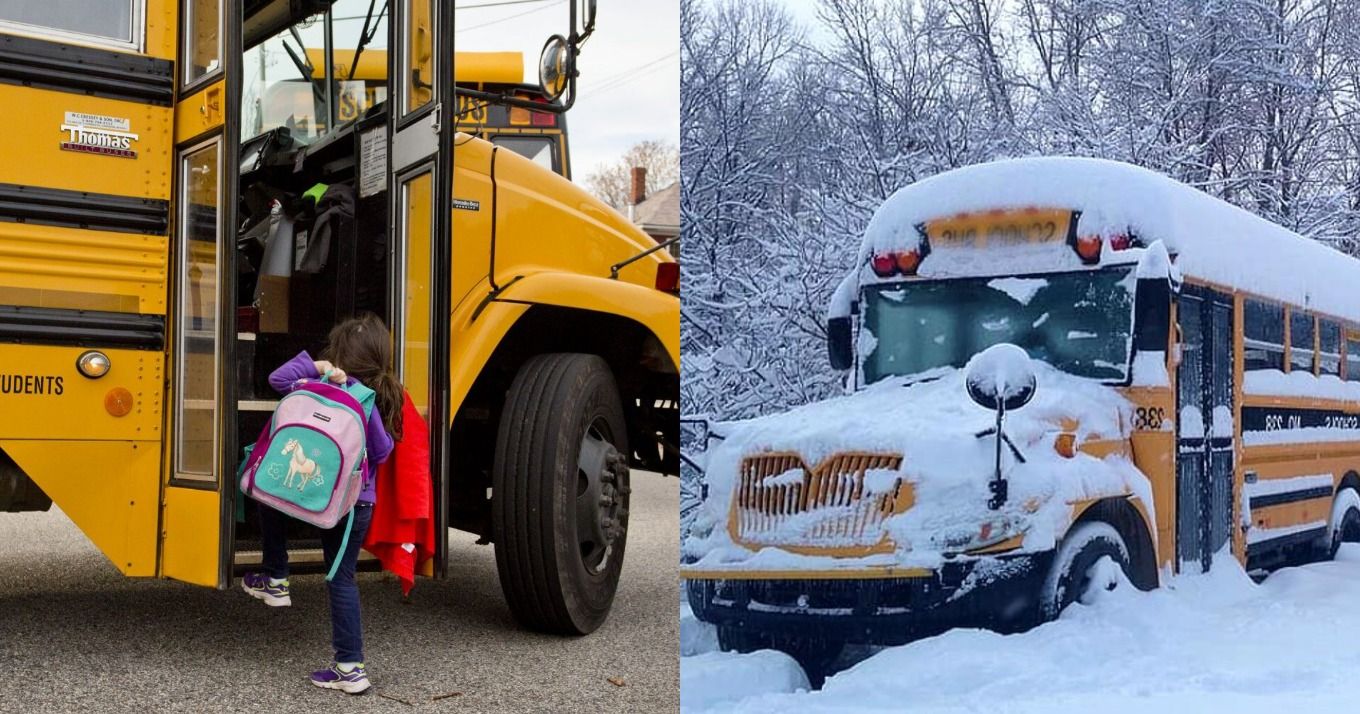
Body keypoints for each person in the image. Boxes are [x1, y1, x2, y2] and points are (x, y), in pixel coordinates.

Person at [240, 314, 405, 695]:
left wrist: (317, 367)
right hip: (352, 506)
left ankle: (276, 576)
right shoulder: (366, 400)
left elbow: (276, 380)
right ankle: (350, 667)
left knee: (269, 491)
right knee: (340, 579)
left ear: (337, 354)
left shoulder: (313, 382)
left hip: (306, 493)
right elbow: (382, 452)